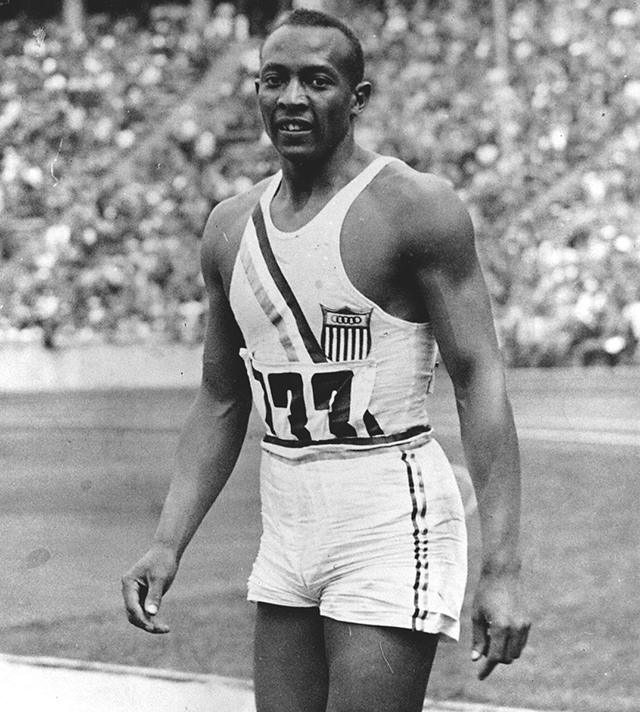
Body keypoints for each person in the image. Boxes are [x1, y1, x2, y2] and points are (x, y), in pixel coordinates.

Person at [122, 9, 531, 711]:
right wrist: (167, 542)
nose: (291, 99)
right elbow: (222, 397)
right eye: (274, 80)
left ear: (358, 98)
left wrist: (503, 568)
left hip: (387, 509)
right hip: (286, 518)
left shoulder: (416, 208)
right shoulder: (228, 227)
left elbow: (479, 378)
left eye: (317, 81)